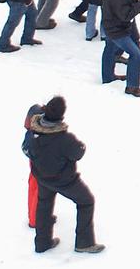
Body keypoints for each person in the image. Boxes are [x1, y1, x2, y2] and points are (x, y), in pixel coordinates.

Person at [23, 96, 105, 254]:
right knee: (86, 201)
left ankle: (42, 243)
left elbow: (28, 150)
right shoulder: (64, 139)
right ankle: (84, 243)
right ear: (61, 116)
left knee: (44, 206)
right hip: (64, 181)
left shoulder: (33, 133)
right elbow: (78, 153)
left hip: (42, 178)